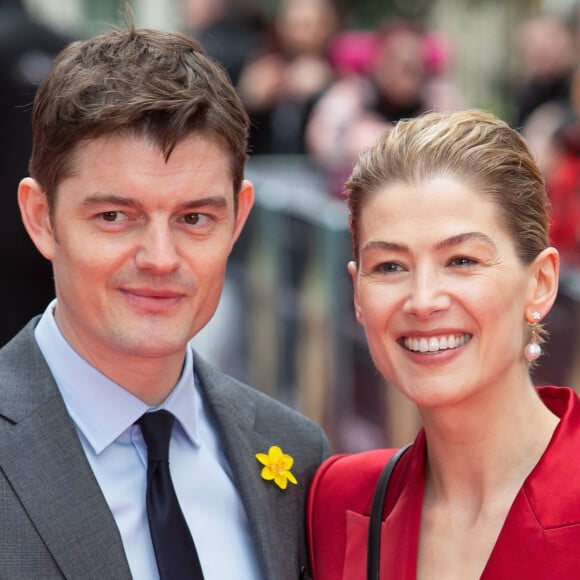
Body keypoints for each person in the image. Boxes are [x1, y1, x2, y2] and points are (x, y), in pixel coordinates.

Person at [0, 21, 330, 580]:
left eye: (194, 218)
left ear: (238, 219)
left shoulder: (296, 454)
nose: (160, 257)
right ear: (41, 218)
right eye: (114, 216)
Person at [306, 110, 580, 579]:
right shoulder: (335, 500)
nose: (423, 300)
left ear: (539, 282)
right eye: (390, 266)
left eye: (462, 260)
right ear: (357, 293)